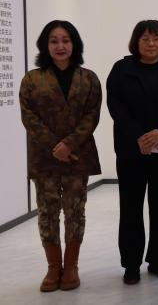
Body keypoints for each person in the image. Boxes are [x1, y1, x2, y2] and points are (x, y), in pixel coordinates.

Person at [20, 20, 101, 292]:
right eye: (54, 41)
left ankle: (72, 266)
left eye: (65, 40)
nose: (60, 46)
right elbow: (29, 118)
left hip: (78, 155)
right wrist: (56, 146)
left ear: (74, 44)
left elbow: (92, 116)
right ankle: (53, 267)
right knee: (47, 211)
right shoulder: (32, 79)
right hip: (44, 156)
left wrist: (69, 145)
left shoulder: (89, 79)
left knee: (75, 210)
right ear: (45, 45)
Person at [106, 20, 158, 284]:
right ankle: (131, 264)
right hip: (131, 151)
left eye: (156, 38)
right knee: (130, 208)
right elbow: (115, 105)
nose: (151, 43)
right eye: (145, 39)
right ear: (136, 42)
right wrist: (138, 136)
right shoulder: (121, 69)